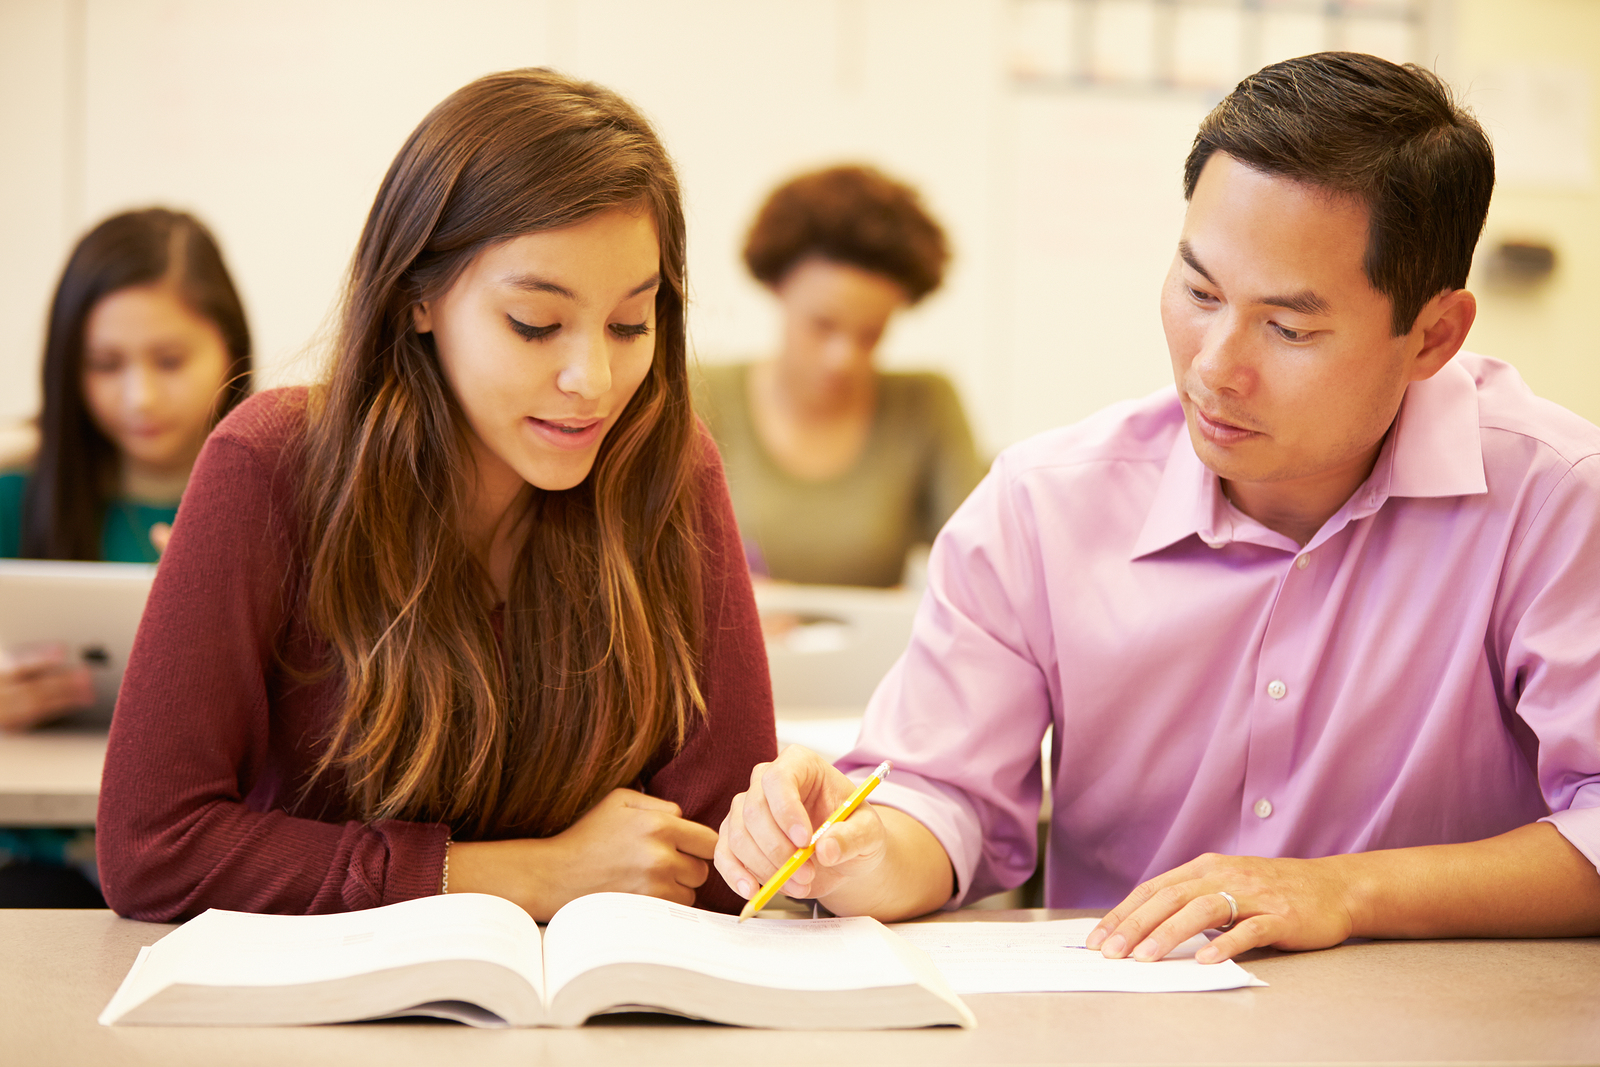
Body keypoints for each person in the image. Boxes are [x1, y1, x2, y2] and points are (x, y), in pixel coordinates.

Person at [716, 52, 1600, 960]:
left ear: (1435, 336)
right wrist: (852, 852)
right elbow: (944, 799)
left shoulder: (1553, 499)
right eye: (1199, 291)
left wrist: (1347, 888)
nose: (1216, 365)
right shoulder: (1043, 508)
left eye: (1289, 328)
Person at [95, 69, 777, 922]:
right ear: (418, 296)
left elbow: (715, 861)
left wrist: (785, 832)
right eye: (534, 323)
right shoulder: (271, 465)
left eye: (631, 323)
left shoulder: (669, 470)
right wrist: (532, 874)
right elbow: (152, 850)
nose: (594, 380)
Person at [0, 209, 251, 909]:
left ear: (228, 345)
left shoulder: (285, 491)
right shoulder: (18, 491)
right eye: (105, 365)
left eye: (169, 361)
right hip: (41, 848)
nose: (138, 396)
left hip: (210, 843)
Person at [695, 165, 985, 587]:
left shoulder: (927, 404)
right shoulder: (700, 394)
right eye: (822, 325)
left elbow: (981, 569)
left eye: (871, 334)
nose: (843, 359)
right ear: (778, 287)